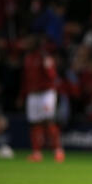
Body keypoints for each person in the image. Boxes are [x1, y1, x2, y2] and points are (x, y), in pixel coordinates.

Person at [18, 34, 65, 163]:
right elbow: (25, 78)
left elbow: (52, 75)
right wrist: (22, 95)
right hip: (32, 94)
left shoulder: (45, 57)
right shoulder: (27, 58)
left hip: (46, 93)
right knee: (34, 123)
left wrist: (48, 66)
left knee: (49, 121)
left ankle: (58, 151)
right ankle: (37, 153)